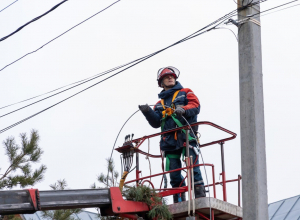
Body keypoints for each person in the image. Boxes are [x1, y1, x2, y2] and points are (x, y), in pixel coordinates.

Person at [138, 66, 206, 203]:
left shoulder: (186, 92)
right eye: (166, 77)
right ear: (161, 83)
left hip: (186, 137)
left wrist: (184, 110)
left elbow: (195, 105)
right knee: (174, 173)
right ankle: (179, 200)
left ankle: (200, 198)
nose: (170, 78)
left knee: (192, 166)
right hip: (169, 141)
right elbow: (156, 122)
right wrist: (147, 112)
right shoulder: (159, 104)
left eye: (172, 76)